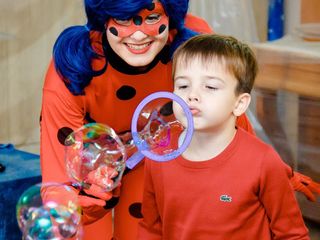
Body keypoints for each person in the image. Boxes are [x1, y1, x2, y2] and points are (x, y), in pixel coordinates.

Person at [40, 0, 319, 239]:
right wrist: (77, 201)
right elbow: (58, 174)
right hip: (90, 167)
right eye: (124, 19)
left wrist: (269, 169)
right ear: (103, 19)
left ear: (170, 19)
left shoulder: (190, 44)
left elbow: (228, 114)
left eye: (151, 18)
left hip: (156, 155)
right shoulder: (73, 65)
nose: (138, 35)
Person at [137, 34, 310, 239]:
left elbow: (292, 235)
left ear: (239, 104)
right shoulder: (159, 156)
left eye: (210, 87)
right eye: (183, 85)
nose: (192, 95)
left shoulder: (263, 162)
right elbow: (151, 228)